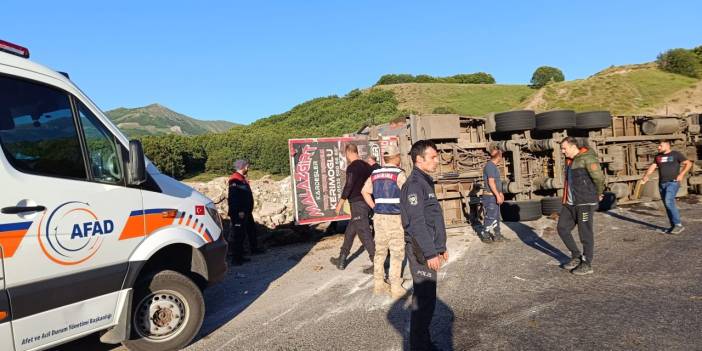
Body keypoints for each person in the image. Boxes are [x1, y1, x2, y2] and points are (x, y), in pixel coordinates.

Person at [400, 140, 448, 350]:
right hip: (420, 250)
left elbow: (432, 218)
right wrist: (430, 253)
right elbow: (417, 224)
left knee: (427, 300)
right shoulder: (414, 185)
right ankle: (420, 347)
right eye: (433, 157)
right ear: (419, 159)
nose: (437, 161)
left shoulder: (424, 182)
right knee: (424, 302)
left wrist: (440, 247)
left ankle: (423, 344)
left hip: (427, 247)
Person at [361, 144, 407, 299]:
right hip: (395, 217)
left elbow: (364, 191)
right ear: (395, 157)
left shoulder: (375, 174)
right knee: (396, 251)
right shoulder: (399, 174)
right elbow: (406, 196)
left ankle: (379, 283)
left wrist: (375, 207)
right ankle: (395, 287)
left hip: (379, 218)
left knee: (380, 251)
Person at [557, 137, 605, 276]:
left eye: (564, 148)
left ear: (573, 146)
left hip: (584, 202)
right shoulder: (569, 161)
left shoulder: (587, 158)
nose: (562, 151)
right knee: (562, 228)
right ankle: (576, 256)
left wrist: (599, 193)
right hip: (570, 202)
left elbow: (599, 178)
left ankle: (587, 263)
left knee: (585, 233)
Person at [330, 143, 375, 271]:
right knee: (350, 231)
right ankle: (342, 259)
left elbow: (349, 185)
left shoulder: (352, 167)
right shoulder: (367, 166)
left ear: (349, 153)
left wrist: (340, 203)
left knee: (364, 233)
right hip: (367, 202)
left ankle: (377, 263)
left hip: (357, 203)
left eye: (346, 155)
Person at [641, 140, 692, 234]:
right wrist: (646, 176)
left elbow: (688, 164)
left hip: (673, 182)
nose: (658, 147)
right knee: (667, 204)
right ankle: (673, 226)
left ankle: (678, 225)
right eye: (658, 146)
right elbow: (652, 167)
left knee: (669, 201)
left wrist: (681, 175)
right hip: (662, 183)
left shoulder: (676, 154)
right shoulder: (658, 156)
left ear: (667, 146)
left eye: (660, 146)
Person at [228, 159, 263, 266]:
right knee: (239, 235)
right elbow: (234, 198)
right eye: (247, 166)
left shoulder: (241, 179)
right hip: (240, 213)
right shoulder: (235, 180)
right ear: (242, 167)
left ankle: (253, 249)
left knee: (251, 230)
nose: (248, 168)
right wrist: (240, 211)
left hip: (246, 211)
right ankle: (236, 259)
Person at [480, 148, 506, 243]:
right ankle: (485, 235)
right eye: (501, 155)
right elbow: (491, 183)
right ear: (498, 156)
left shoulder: (494, 166)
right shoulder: (490, 166)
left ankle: (497, 235)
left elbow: (497, 182)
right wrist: (497, 195)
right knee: (490, 216)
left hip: (494, 195)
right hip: (490, 196)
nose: (502, 157)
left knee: (496, 216)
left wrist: (500, 193)